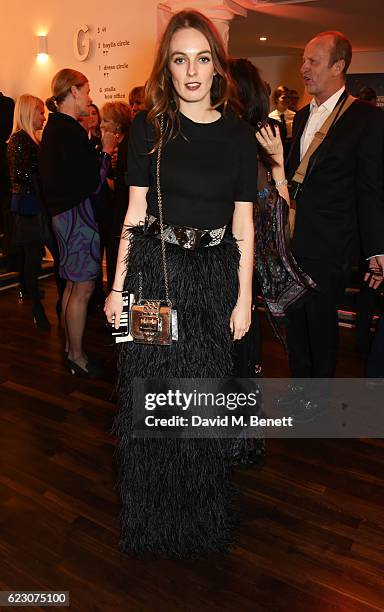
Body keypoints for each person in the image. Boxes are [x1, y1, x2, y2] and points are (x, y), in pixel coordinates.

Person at [104, 10, 259, 556]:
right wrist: (117, 285)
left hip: (212, 279)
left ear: (216, 66)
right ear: (166, 68)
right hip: (156, 277)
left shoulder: (239, 136)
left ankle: (198, 515)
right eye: (179, 59)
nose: (191, 70)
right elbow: (135, 212)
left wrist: (244, 300)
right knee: (151, 403)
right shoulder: (150, 126)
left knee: (200, 404)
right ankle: (151, 520)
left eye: (201, 58)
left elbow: (244, 222)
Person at [286, 31, 384, 379]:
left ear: (339, 66)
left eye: (313, 61)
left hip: (332, 247)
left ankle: (320, 401)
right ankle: (300, 392)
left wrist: (376, 249)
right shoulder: (300, 117)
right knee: (295, 323)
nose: (304, 68)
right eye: (303, 60)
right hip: (294, 241)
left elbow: (370, 188)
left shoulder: (367, 118)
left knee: (321, 328)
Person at [40, 68, 115, 376]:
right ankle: (77, 356)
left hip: (67, 217)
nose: (89, 97)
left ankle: (73, 352)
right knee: (82, 288)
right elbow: (92, 181)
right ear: (72, 91)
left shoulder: (58, 128)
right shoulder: (66, 130)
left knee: (74, 285)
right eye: (86, 90)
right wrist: (107, 152)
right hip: (75, 218)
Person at [7, 94, 61, 329]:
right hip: (30, 209)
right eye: (40, 112)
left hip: (34, 207)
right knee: (33, 260)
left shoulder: (29, 140)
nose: (43, 117)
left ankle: (44, 308)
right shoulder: (20, 140)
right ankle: (38, 309)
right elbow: (24, 175)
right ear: (29, 113)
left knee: (42, 257)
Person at [99, 101, 131, 289]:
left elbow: (121, 188)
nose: (101, 124)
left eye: (106, 120)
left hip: (121, 216)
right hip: (117, 214)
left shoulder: (126, 147)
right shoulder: (123, 145)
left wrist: (100, 177)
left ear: (117, 125)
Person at [269, 84, 295, 149]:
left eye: (288, 97)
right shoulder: (271, 117)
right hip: (276, 147)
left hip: (290, 147)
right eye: (283, 97)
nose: (287, 100)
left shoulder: (294, 115)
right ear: (276, 99)